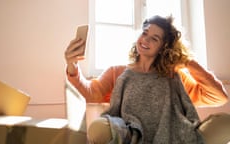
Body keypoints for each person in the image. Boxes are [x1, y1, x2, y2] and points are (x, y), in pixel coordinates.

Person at [64, 15, 228, 143]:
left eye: (155, 38)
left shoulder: (174, 77)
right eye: (145, 33)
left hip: (173, 133)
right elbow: (91, 93)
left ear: (164, 47)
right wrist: (72, 64)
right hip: (130, 134)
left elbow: (219, 97)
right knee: (98, 129)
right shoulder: (118, 72)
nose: (146, 40)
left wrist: (187, 62)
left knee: (225, 124)